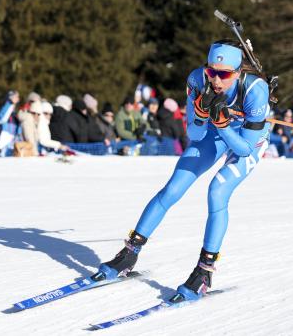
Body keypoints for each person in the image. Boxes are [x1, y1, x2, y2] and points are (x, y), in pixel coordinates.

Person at [92, 39, 272, 303]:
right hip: (213, 133)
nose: (216, 80)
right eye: (212, 71)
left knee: (217, 191)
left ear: (237, 72)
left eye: (224, 74)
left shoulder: (255, 90)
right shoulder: (198, 80)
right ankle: (129, 253)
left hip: (247, 140)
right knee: (174, 187)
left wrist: (222, 124)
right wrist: (200, 113)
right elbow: (195, 134)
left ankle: (204, 271)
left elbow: (244, 149)